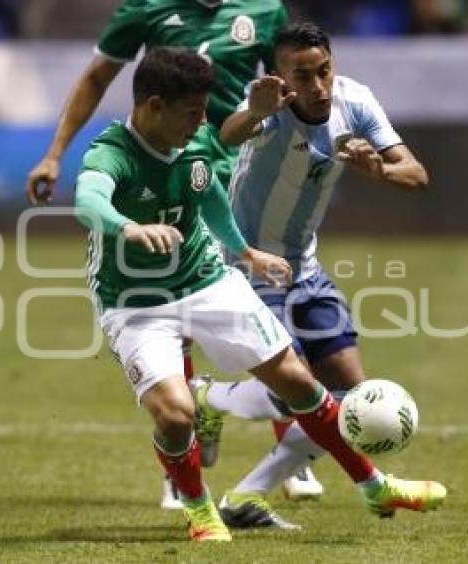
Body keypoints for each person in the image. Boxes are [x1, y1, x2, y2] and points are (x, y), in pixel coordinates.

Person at [73, 45, 445, 543]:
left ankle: (375, 486)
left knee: (298, 380)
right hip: (135, 302)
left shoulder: (195, 141)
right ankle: (199, 509)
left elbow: (209, 200)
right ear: (154, 105)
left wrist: (246, 254)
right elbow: (87, 200)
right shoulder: (112, 152)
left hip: (205, 279)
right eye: (192, 112)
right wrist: (128, 228)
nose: (202, 121)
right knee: (176, 414)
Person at [26, 0, 326, 506]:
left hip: (244, 177)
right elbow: (98, 76)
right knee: (172, 317)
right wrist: (55, 152)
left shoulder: (264, 9)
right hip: (177, 175)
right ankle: (183, 465)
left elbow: (285, 87)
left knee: (269, 314)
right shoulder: (145, 9)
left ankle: (286, 460)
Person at [188, 22, 440, 529]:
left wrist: (381, 172)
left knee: (353, 401)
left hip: (305, 266)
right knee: (294, 392)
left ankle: (246, 496)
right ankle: (205, 397)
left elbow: (417, 174)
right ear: (281, 79)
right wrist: (256, 109)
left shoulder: (355, 101)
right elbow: (229, 133)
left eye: (323, 70)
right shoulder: (268, 109)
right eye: (302, 76)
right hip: (248, 264)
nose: (317, 85)